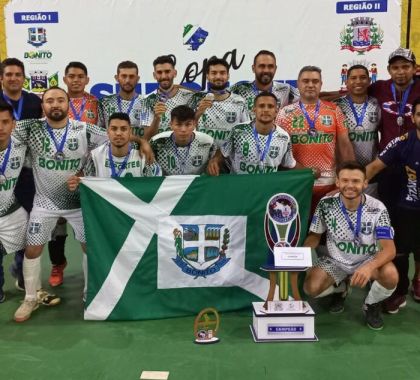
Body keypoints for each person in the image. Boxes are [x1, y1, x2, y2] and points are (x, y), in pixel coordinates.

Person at [11, 87, 110, 322]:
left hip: (78, 202)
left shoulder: (84, 129)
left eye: (60, 100)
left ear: (69, 104)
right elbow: (6, 130)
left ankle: (91, 294)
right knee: (32, 249)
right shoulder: (31, 127)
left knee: (89, 247)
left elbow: (115, 138)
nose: (55, 104)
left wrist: (86, 175)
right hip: (44, 202)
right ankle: (30, 298)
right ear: (42, 105)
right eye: (49, 101)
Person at [303, 161, 398, 330]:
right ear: (337, 182)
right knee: (311, 288)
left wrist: (369, 267)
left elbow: (389, 249)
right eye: (345, 180)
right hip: (336, 261)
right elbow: (314, 237)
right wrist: (299, 255)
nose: (350, 185)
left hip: (367, 260)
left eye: (355, 181)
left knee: (391, 275)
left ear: (365, 183)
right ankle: (341, 288)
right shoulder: (326, 204)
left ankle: (371, 304)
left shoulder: (378, 208)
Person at [47, 61, 100, 288]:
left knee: (88, 219)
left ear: (87, 79)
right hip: (60, 169)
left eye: (80, 76)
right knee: (56, 219)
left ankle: (96, 264)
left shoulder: (97, 104)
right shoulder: (57, 102)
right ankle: (57, 264)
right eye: (71, 76)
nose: (76, 80)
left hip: (89, 170)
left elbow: (106, 132)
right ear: (65, 79)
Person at [366, 97, 420, 313]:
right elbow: (372, 168)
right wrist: (349, 190)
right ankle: (399, 292)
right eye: (419, 114)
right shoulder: (401, 142)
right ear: (413, 117)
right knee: (400, 252)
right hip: (407, 208)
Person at [276, 66, 355, 214]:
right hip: (297, 184)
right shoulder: (284, 113)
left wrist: (348, 180)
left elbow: (345, 147)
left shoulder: (334, 110)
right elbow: (278, 151)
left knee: (326, 234)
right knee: (299, 232)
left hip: (329, 185)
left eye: (315, 81)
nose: (310, 85)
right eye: (306, 81)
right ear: (298, 84)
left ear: (321, 84)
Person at [0, 58, 41, 291]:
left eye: (18, 74)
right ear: (1, 78)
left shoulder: (35, 101)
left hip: (25, 172)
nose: (14, 78)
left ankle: (21, 269)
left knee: (26, 221)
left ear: (23, 78)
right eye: (9, 74)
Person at [369, 48, 420, 225]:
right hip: (387, 161)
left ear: (414, 68)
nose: (400, 72)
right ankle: (393, 251)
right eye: (395, 67)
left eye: (405, 67)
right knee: (388, 210)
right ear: (389, 70)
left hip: (415, 162)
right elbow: (349, 94)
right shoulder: (379, 87)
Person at [207, 92, 297, 175]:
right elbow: (222, 152)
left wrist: (310, 173)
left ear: (276, 111)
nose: (266, 110)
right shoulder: (238, 131)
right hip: (240, 186)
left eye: (270, 106)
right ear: (254, 109)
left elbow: (290, 164)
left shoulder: (283, 137)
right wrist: (215, 159)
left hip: (267, 188)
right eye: (261, 106)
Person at [67, 112, 161, 190]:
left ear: (130, 131)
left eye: (123, 129)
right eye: (114, 129)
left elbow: (158, 185)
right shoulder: (95, 156)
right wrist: (76, 183)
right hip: (108, 211)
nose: (118, 133)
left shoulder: (143, 154)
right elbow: (85, 182)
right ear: (108, 132)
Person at [335, 64, 380, 196]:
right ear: (346, 81)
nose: (358, 81)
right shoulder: (336, 106)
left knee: (369, 210)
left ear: (369, 81)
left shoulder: (377, 104)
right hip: (345, 171)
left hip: (371, 172)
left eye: (363, 77)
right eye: (353, 78)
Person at [0, 102, 29, 303]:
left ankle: (21, 274)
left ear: (13, 124)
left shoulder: (22, 148)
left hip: (12, 209)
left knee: (31, 246)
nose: (0, 127)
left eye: (4, 122)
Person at [188, 57, 249, 148]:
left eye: (222, 73)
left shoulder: (239, 101)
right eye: (214, 73)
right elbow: (184, 131)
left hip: (229, 158)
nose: (218, 77)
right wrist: (198, 113)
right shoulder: (197, 99)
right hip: (203, 156)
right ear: (207, 76)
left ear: (228, 76)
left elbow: (246, 132)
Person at [230, 50, 299, 118]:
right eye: (262, 66)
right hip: (247, 129)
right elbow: (221, 95)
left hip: (275, 129)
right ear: (253, 68)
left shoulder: (286, 89)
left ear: (275, 69)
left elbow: (306, 100)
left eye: (270, 66)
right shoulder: (240, 88)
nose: (266, 70)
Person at [150, 105, 217, 175]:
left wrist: (215, 159)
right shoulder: (156, 142)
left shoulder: (208, 142)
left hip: (196, 183)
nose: (183, 130)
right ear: (171, 125)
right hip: (167, 184)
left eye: (188, 125)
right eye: (178, 124)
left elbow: (218, 154)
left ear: (194, 124)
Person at [143, 55, 195, 135]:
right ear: (154, 75)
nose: (163, 76)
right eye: (159, 72)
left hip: (184, 146)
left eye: (167, 71)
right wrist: (156, 118)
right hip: (158, 146)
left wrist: (183, 87)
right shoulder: (147, 100)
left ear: (175, 73)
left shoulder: (189, 96)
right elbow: (146, 137)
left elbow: (211, 96)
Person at [99, 61, 151, 138]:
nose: (127, 80)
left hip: (137, 149)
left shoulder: (145, 102)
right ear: (117, 78)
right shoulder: (104, 102)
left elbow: (146, 134)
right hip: (112, 149)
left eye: (131, 76)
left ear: (137, 78)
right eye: (124, 76)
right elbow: (99, 132)